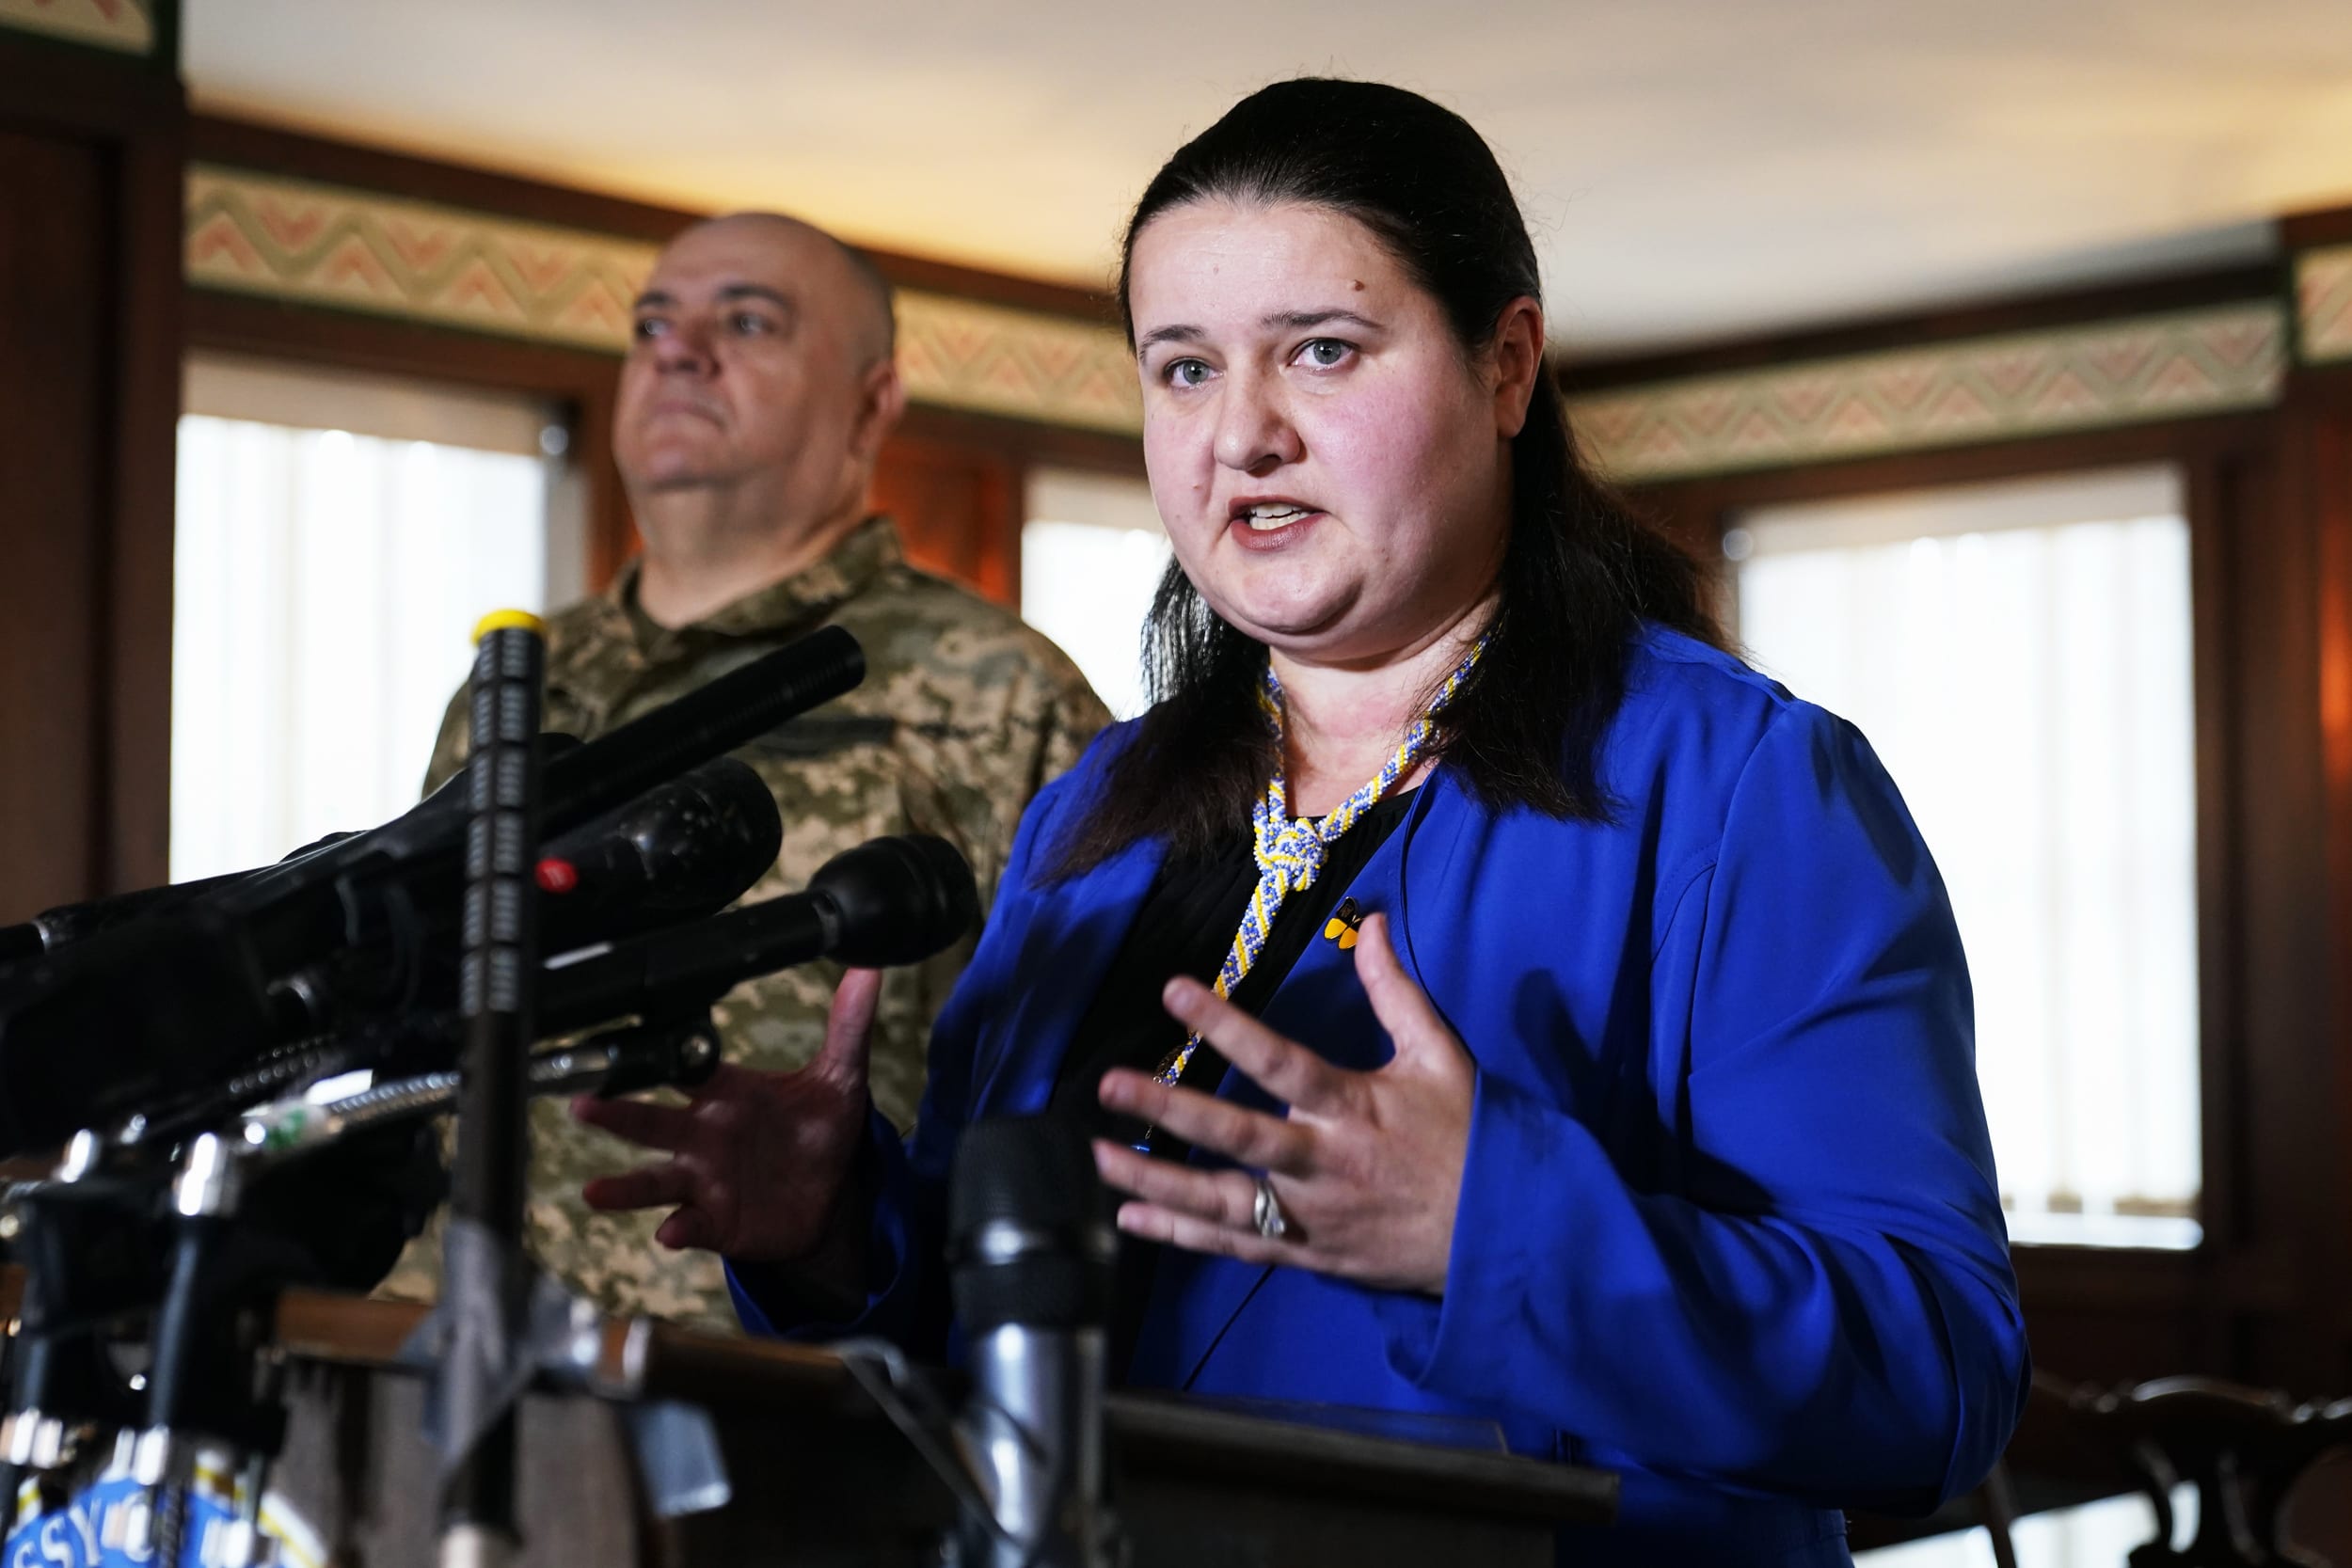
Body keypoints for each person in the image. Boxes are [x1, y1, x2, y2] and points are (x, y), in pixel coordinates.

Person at [571, 82, 2028, 1562]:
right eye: (1184, 369)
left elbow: (1937, 1381)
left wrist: (1494, 1229)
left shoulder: (1744, 785)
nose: (1243, 434)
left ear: (1506, 364)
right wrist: (838, 1235)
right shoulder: (1099, 811)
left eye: (1321, 352)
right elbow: (990, 1329)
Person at [374, 211, 1111, 1333]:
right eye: (652, 323)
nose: (677, 349)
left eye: (748, 321)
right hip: (448, 1363)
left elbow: (1074, 1103)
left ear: (872, 402)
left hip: (775, 1400)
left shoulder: (998, 687)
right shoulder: (517, 683)